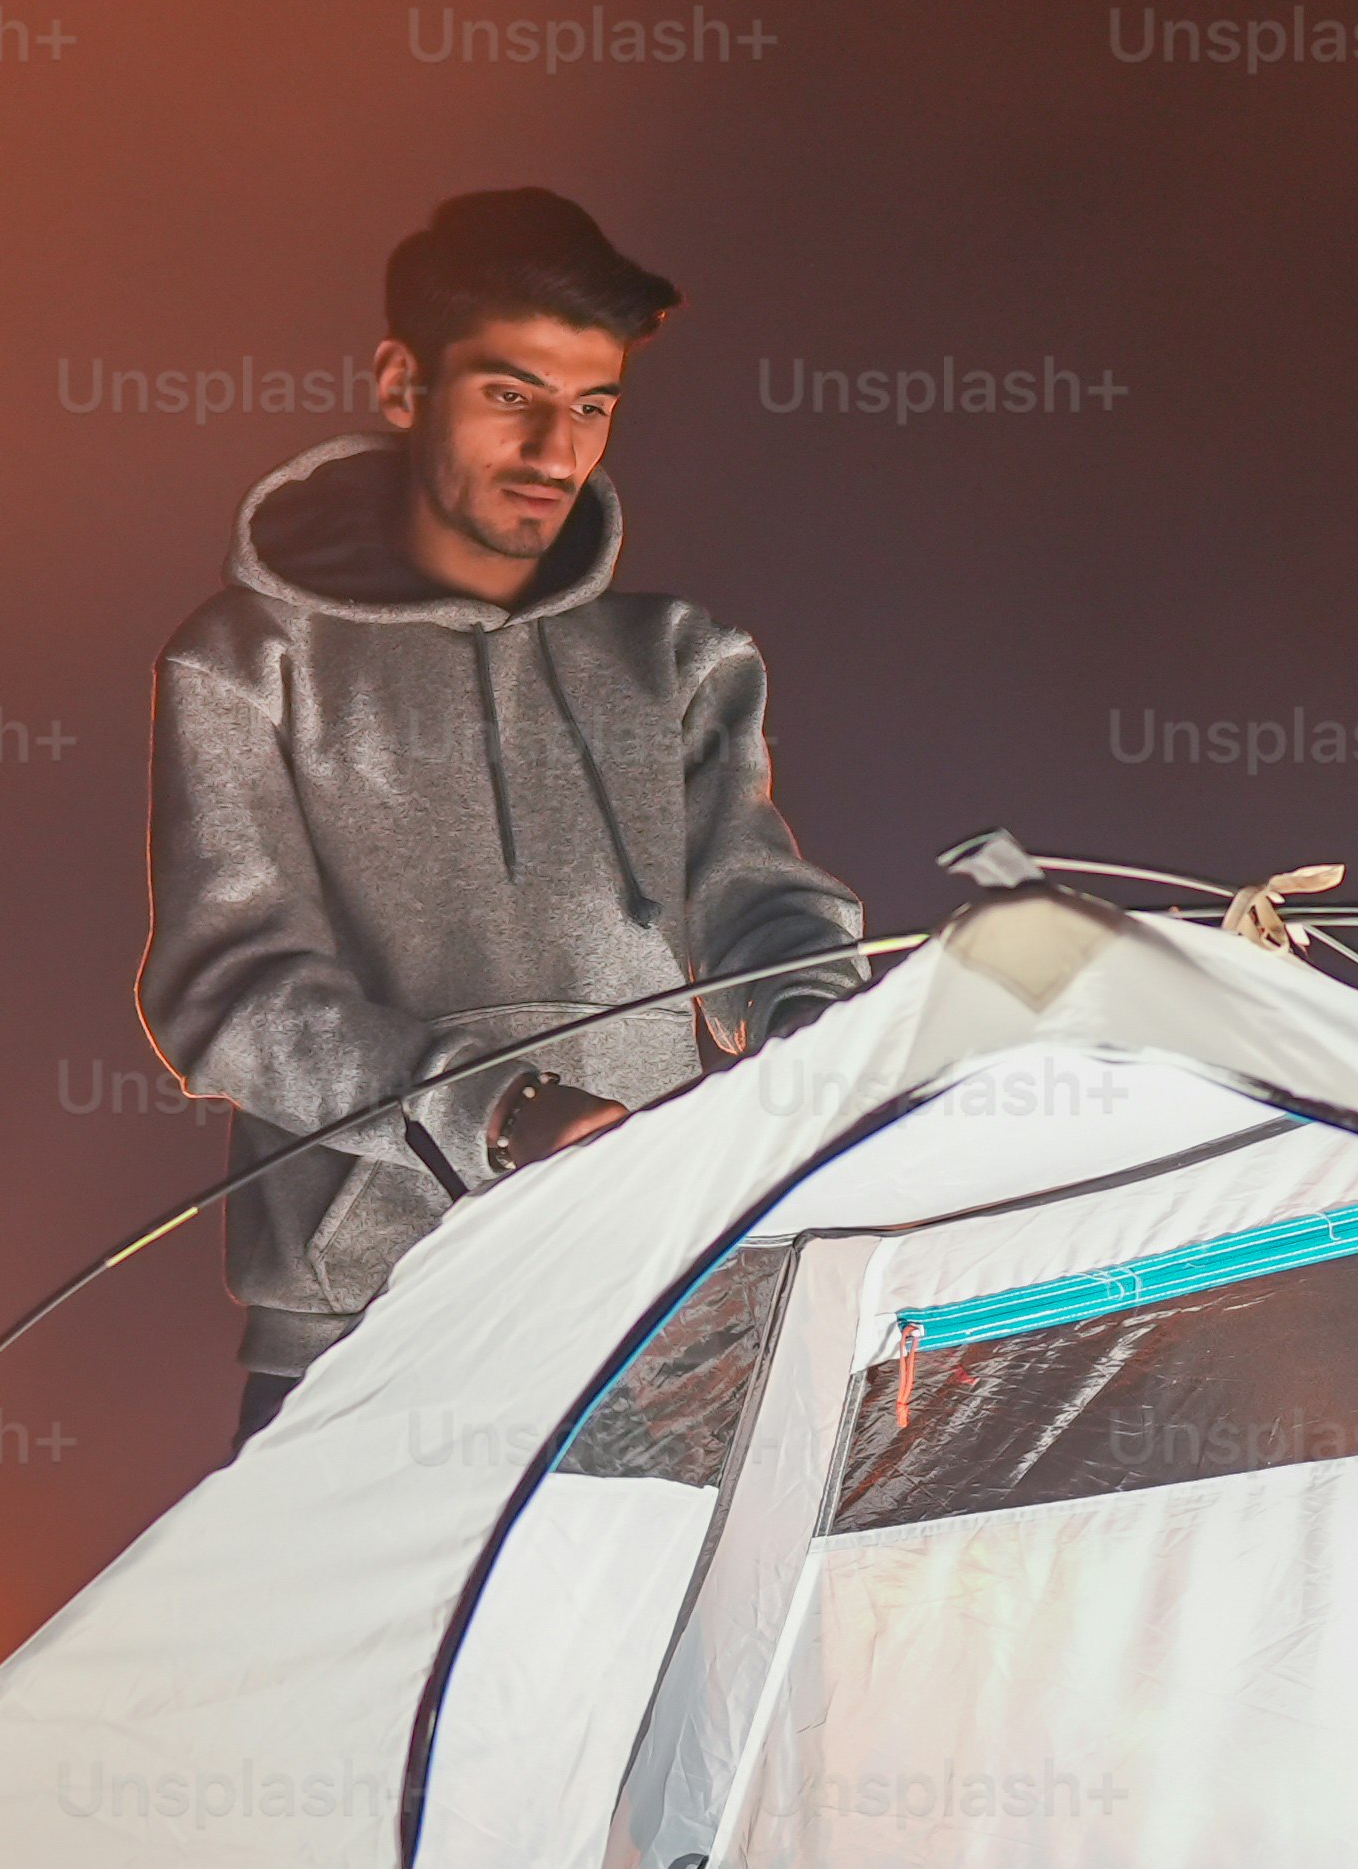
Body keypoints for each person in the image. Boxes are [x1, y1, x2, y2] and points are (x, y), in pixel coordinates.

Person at [140, 188, 867, 1444]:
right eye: (511, 395)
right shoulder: (248, 664)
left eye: (593, 406)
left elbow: (755, 896)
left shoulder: (680, 658)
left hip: (640, 1311)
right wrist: (497, 1110)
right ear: (402, 382)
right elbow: (227, 991)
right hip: (367, 1332)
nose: (555, 449)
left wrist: (817, 1014)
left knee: (658, 1649)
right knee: (362, 1655)